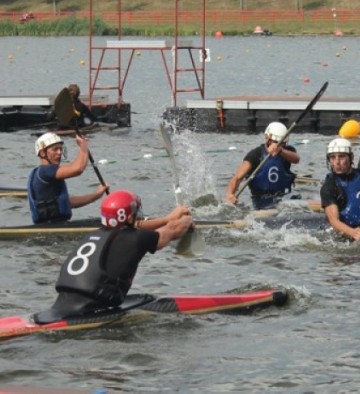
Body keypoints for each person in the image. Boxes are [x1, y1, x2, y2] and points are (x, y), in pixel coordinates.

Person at [42, 190, 194, 320]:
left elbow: (136, 228)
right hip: (94, 306)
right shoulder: (135, 238)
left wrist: (168, 218)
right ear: (128, 217)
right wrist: (186, 219)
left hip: (63, 303)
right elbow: (173, 230)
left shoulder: (94, 235)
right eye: (135, 213)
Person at [28, 132, 109, 224]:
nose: (59, 152)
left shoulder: (45, 174)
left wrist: (97, 194)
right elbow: (78, 169)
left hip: (58, 223)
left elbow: (69, 202)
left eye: (60, 149)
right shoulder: (45, 171)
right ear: (42, 153)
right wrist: (83, 146)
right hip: (51, 226)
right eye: (55, 149)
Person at [225, 121, 300, 209]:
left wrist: (281, 151)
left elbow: (296, 159)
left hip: (283, 198)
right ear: (267, 138)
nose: (278, 144)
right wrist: (230, 194)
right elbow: (237, 178)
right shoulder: (255, 155)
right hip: (261, 201)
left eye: (282, 143)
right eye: (275, 141)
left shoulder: (287, 151)